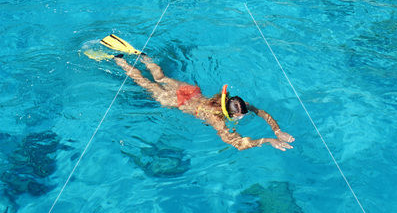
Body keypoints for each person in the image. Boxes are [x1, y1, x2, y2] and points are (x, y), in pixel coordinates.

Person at [109, 44, 295, 152]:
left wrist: (277, 132)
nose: (244, 114)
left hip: (191, 92)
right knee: (145, 83)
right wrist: (267, 140)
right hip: (178, 101)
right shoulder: (217, 120)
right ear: (234, 114)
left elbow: (260, 112)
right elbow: (238, 143)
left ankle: (145, 58)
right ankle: (119, 60)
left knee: (161, 78)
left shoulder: (235, 104)